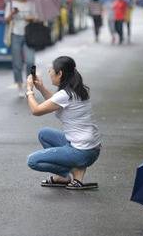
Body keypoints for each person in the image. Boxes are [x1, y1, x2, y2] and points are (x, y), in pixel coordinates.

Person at [25, 56, 101, 190]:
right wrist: (41, 87)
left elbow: (36, 110)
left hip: (81, 151)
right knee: (44, 134)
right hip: (91, 148)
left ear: (60, 73)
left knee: (32, 161)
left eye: (51, 70)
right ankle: (70, 175)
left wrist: (29, 90)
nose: (49, 73)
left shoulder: (65, 94)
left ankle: (69, 174)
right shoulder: (78, 90)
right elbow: (55, 102)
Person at [4, 0, 38, 97]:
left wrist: (30, 18)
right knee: (17, 62)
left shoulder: (31, 4)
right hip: (15, 34)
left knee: (30, 61)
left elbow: (36, 18)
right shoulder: (10, 4)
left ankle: (29, 85)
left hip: (29, 36)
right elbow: (6, 20)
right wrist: (13, 13)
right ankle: (19, 85)